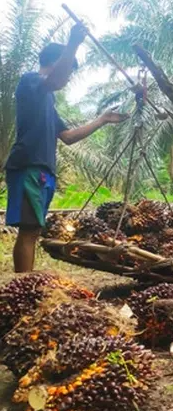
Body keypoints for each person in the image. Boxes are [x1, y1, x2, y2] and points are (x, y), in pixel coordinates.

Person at [3, 24, 130, 273]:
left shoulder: (47, 101)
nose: (69, 78)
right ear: (55, 61)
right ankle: (24, 283)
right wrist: (73, 43)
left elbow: (69, 137)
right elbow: (57, 80)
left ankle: (26, 280)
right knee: (29, 230)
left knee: (34, 229)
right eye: (70, 71)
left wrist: (102, 120)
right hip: (29, 165)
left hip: (43, 171)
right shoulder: (30, 81)